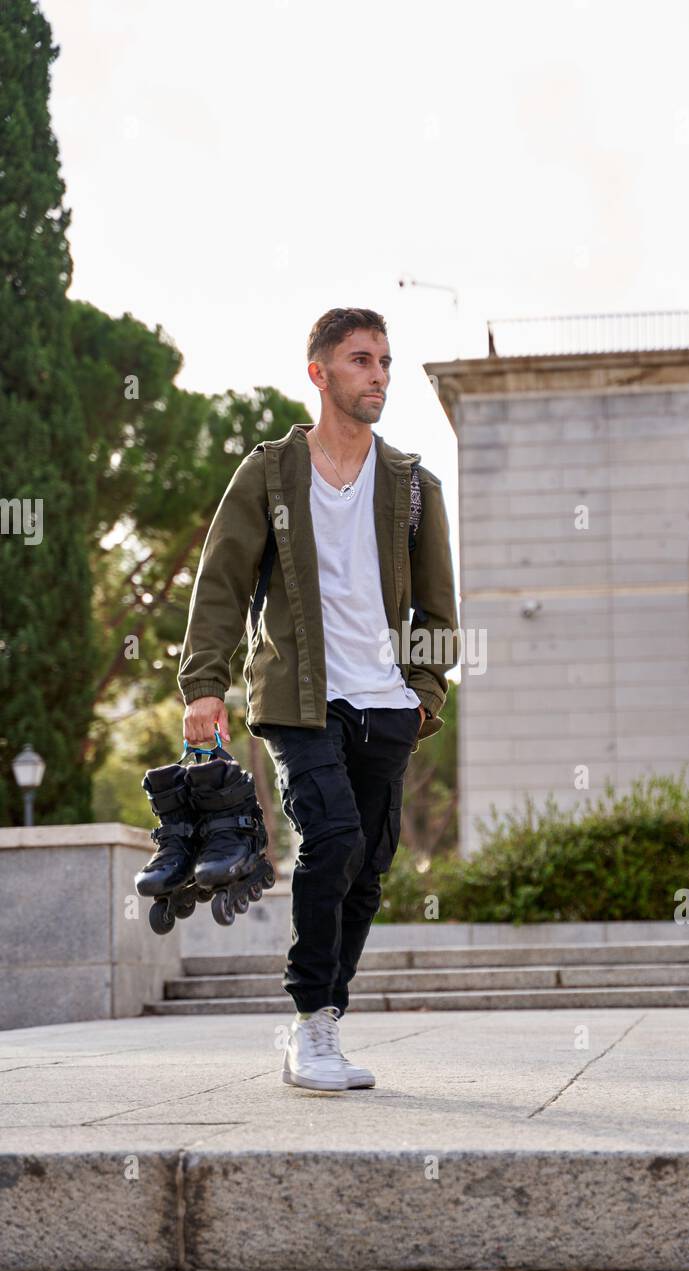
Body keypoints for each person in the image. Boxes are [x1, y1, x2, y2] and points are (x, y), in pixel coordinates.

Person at [177, 307, 460, 1091]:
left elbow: (439, 610)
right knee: (331, 839)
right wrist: (205, 684)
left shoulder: (411, 485)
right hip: (298, 697)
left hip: (387, 703)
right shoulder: (269, 472)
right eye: (362, 361)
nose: (379, 377)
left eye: (385, 363)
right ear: (321, 373)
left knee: (368, 867)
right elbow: (222, 584)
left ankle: (329, 1018)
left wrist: (423, 697)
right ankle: (308, 1023)